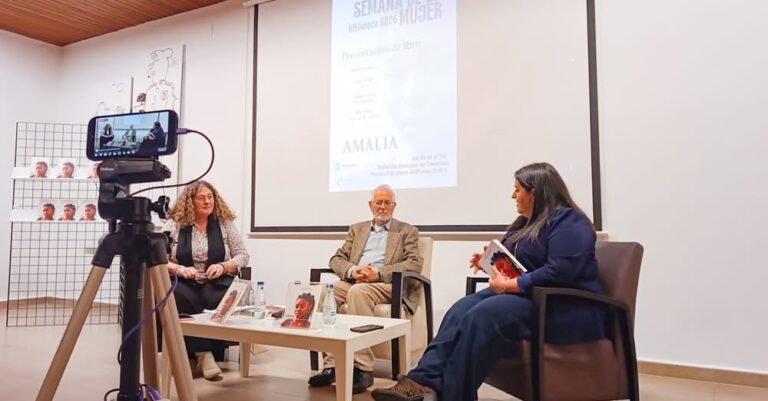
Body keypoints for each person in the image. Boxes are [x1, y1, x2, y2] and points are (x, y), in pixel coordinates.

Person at [372, 162, 608, 401]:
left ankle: (452, 396)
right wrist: (490, 260)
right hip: (528, 296)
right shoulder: (525, 224)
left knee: (482, 316)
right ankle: (421, 382)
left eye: (518, 189)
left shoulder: (569, 221)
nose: (513, 195)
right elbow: (515, 260)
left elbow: (560, 271)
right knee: (459, 309)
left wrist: (510, 285)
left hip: (562, 305)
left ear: (534, 192)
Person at [309, 184, 422, 394]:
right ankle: (331, 365)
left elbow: (414, 264)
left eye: (387, 202)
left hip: (386, 284)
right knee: (323, 292)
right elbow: (337, 258)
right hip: (355, 280)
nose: (382, 207)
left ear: (394, 206)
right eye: (378, 202)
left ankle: (363, 369)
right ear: (370, 205)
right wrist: (353, 271)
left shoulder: (407, 231)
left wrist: (378, 273)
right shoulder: (357, 229)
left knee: (358, 292)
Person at [161, 180, 250, 380]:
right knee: (181, 297)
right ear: (189, 202)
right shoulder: (175, 223)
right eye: (201, 198)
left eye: (210, 197)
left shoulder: (224, 222)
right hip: (184, 280)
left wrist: (223, 266)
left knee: (216, 297)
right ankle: (203, 353)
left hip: (216, 280)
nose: (207, 201)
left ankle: (196, 354)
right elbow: (158, 257)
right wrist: (180, 269)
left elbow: (242, 255)